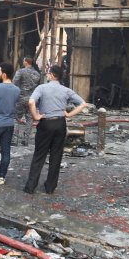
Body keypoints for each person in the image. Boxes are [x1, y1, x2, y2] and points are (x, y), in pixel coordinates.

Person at [23, 64, 87, 195]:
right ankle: (50, 188)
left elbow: (31, 102)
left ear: (52, 75)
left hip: (45, 123)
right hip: (60, 124)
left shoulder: (41, 88)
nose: (47, 75)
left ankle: (30, 187)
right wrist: (69, 114)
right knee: (56, 156)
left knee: (39, 155)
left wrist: (35, 116)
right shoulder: (66, 90)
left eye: (48, 73)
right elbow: (83, 104)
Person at [13, 57, 41, 146]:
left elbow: (14, 83)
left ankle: (14, 139)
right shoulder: (37, 74)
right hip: (32, 99)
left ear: (26, 62)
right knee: (29, 119)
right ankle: (25, 140)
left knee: (16, 118)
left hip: (21, 97)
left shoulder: (21, 71)